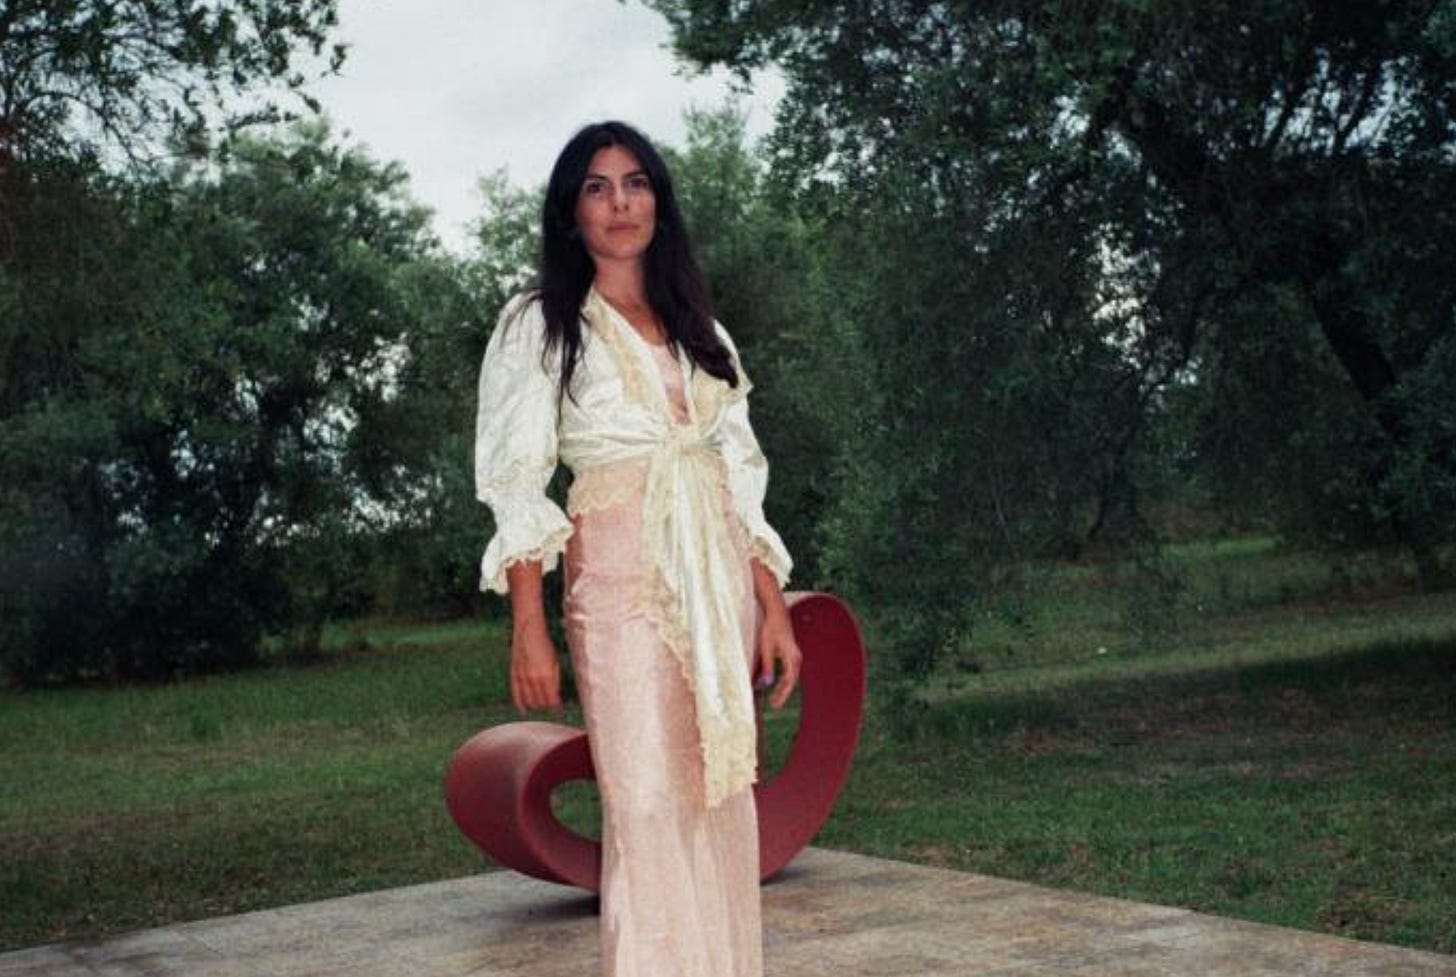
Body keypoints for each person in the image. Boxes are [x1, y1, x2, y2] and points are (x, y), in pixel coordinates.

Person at [473, 120, 802, 977]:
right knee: (648, 805)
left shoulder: (703, 331)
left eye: (636, 183)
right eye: (597, 186)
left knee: (720, 799)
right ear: (570, 211)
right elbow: (517, 477)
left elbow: (741, 474)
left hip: (717, 581)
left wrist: (772, 609)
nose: (620, 203)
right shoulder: (541, 324)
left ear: (659, 200)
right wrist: (528, 626)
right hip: (618, 583)